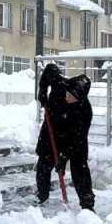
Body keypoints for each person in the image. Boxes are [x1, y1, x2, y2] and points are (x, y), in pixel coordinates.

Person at [35, 63, 95, 211]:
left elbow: (78, 138)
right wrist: (42, 90)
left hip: (73, 137)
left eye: (73, 98)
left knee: (80, 167)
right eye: (68, 94)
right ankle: (42, 194)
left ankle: (87, 204)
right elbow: (49, 69)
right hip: (52, 130)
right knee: (44, 162)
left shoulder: (85, 111)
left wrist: (64, 157)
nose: (68, 98)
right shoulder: (60, 84)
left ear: (80, 98)